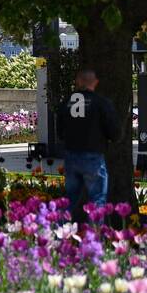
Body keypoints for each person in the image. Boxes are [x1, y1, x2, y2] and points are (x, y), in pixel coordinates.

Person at [56, 68, 120, 224]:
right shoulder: (102, 103)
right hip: (93, 156)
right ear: (95, 82)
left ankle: (57, 232)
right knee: (97, 198)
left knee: (70, 199)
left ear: (78, 81)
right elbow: (114, 132)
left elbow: (60, 131)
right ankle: (94, 236)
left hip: (71, 155)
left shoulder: (67, 102)